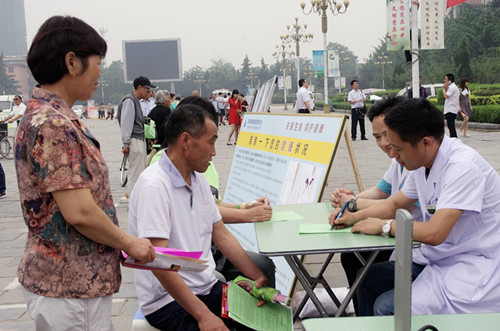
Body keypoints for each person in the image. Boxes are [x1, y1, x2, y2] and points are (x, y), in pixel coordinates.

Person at [14, 16, 155, 330]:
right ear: (72, 62)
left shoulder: (48, 116)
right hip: (70, 287)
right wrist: (130, 243)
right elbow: (79, 212)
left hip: (66, 282)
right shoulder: (53, 124)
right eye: (98, 63)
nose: (100, 73)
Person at [330, 98, 500, 316]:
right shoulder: (419, 162)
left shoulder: (462, 168)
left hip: (474, 269)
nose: (394, 155)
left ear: (426, 143)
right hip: (440, 259)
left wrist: (384, 226)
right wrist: (351, 216)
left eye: (398, 149)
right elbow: (394, 203)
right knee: (366, 279)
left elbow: (436, 232)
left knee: (388, 308)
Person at [129, 103, 269, 330]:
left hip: (207, 288)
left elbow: (221, 234)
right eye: (211, 142)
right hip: (168, 302)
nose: (214, 152)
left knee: (265, 319)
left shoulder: (198, 179)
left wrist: (256, 276)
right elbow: (159, 262)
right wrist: (204, 316)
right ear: (186, 141)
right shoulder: (154, 186)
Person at [329, 96, 423, 314]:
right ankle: (364, 316)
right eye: (377, 137)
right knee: (353, 258)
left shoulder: (419, 162)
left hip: (418, 244)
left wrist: (352, 208)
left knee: (373, 284)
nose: (383, 143)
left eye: (387, 135)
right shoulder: (400, 160)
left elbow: (393, 206)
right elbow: (382, 192)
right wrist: (351, 200)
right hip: (408, 240)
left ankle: (370, 315)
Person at [117, 76, 157, 198]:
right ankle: (133, 204)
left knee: (140, 173)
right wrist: (126, 143)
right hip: (134, 141)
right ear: (140, 87)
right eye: (147, 90)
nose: (149, 93)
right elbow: (126, 123)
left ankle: (138, 201)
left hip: (139, 139)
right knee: (135, 174)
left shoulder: (135, 101)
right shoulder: (129, 101)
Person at [443, 73, 460, 138]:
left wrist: (444, 88)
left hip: (451, 109)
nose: (445, 81)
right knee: (450, 126)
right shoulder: (452, 87)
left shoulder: (452, 87)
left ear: (449, 80)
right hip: (450, 109)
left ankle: (454, 138)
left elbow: (446, 96)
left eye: (445, 79)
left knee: (451, 126)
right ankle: (453, 138)